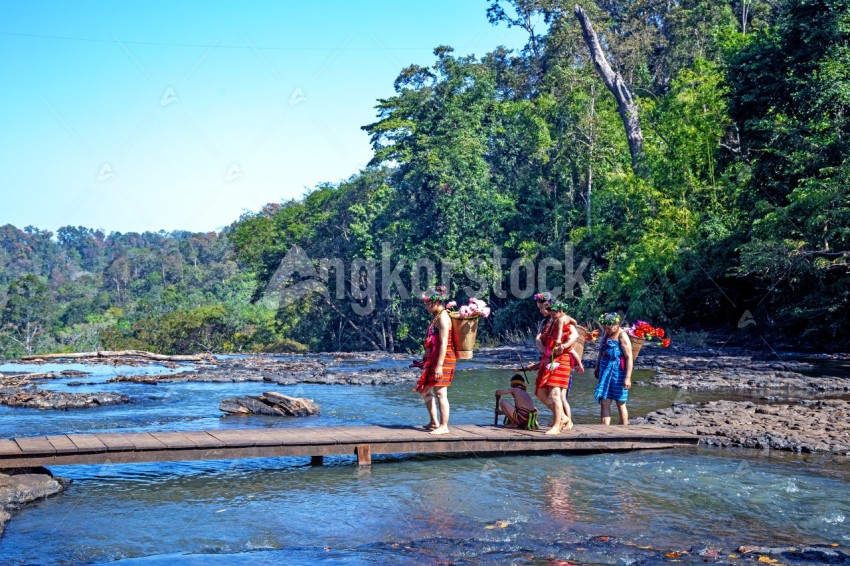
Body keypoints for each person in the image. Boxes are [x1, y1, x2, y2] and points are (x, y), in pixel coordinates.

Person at [413, 285, 458, 435]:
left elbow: (444, 343)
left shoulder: (444, 318)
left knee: (440, 392)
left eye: (427, 303)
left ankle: (444, 426)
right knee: (425, 390)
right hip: (435, 357)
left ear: (436, 302)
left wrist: (439, 365)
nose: (426, 306)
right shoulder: (437, 316)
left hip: (444, 359)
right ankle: (434, 421)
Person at [533, 296, 578, 435]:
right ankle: (563, 418)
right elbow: (542, 339)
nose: (543, 311)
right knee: (540, 392)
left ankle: (557, 426)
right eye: (541, 308)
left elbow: (574, 334)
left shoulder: (564, 320)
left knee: (555, 394)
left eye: (543, 308)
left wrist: (563, 345)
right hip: (548, 359)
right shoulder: (549, 322)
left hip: (560, 359)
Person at [594, 312, 634, 426]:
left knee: (620, 402)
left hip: (618, 372)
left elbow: (629, 357)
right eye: (605, 328)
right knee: (604, 401)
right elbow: (601, 352)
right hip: (605, 370)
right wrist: (597, 367)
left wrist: (628, 378)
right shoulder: (606, 334)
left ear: (617, 325)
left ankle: (624, 429)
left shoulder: (622, 335)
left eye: (609, 328)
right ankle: (605, 430)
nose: (607, 330)